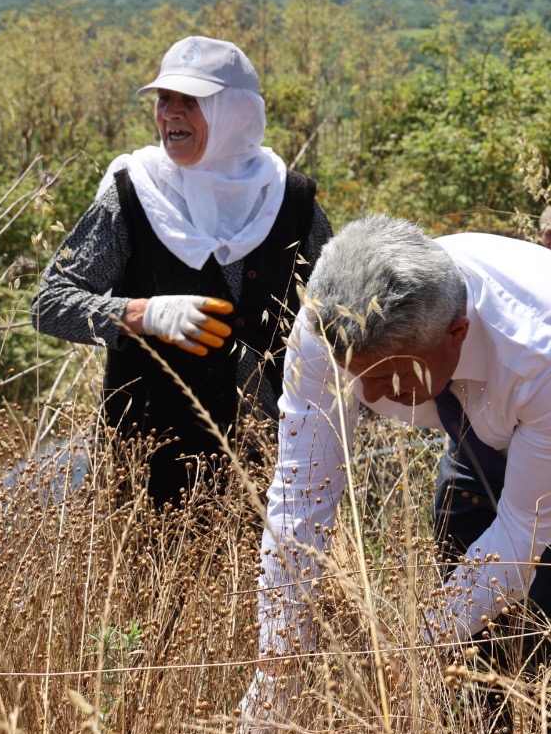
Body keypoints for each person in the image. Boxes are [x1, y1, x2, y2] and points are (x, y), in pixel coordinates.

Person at [243, 216, 551, 734]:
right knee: (468, 637)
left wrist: (410, 651)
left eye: (395, 379)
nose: (372, 398)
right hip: (487, 419)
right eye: (359, 378)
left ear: (456, 334)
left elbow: (522, 536)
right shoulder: (331, 324)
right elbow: (301, 499)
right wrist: (277, 674)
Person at [33, 36, 331, 507]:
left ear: (235, 113)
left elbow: (334, 312)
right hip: (149, 463)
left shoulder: (290, 201)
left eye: (191, 101)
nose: (170, 112)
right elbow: (50, 303)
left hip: (273, 464)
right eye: (164, 98)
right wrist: (141, 314)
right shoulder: (133, 195)